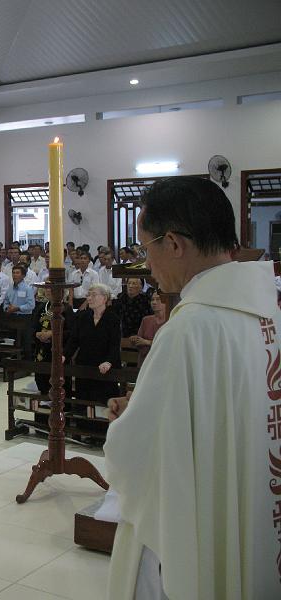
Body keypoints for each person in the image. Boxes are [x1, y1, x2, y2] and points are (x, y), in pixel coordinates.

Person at [105, 176, 280, 600]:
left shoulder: (189, 329)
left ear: (173, 244)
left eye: (145, 248)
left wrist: (129, 419)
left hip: (199, 518)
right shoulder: (268, 309)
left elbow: (134, 453)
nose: (147, 265)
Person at [64, 283, 121, 404]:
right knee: (84, 402)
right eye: (88, 295)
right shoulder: (83, 317)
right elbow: (74, 340)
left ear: (104, 298)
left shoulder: (113, 319)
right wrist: (64, 355)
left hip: (104, 367)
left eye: (93, 295)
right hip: (85, 365)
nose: (89, 298)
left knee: (102, 403)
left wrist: (108, 362)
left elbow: (115, 345)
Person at [130, 293, 166, 367]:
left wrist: (147, 342)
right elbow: (139, 342)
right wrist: (134, 339)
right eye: (152, 300)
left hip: (162, 360)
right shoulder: (146, 320)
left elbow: (167, 344)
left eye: (158, 299)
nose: (154, 302)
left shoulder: (170, 321)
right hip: (145, 360)